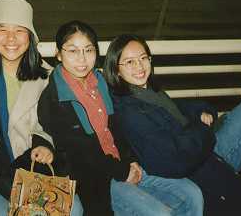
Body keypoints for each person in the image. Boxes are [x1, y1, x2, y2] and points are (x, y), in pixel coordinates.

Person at [103, 34, 241, 215]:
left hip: (203, 149)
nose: (139, 66)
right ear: (116, 70)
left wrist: (200, 110)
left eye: (143, 58)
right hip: (201, 161)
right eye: (129, 62)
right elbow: (172, 158)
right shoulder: (128, 108)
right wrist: (203, 130)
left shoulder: (148, 91)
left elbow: (177, 109)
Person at [37, 20, 206, 216]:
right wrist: (122, 171)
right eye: (73, 51)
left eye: (88, 50)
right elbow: (80, 154)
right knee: (158, 213)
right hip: (94, 179)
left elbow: (118, 128)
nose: (82, 59)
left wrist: (131, 160)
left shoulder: (101, 83)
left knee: (191, 194)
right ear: (58, 54)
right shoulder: (54, 98)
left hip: (124, 165)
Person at [0, 0, 83, 215]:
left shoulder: (47, 77)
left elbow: (50, 125)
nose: (11, 39)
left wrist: (45, 145)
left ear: (31, 36)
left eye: (20, 30)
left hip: (28, 168)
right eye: (2, 30)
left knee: (72, 212)